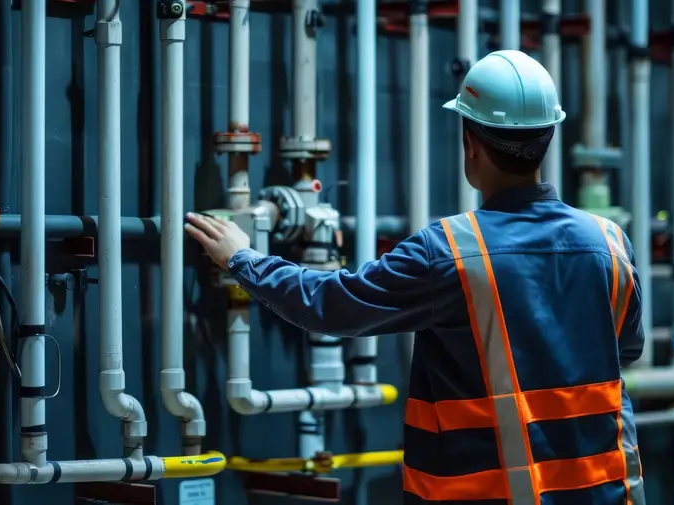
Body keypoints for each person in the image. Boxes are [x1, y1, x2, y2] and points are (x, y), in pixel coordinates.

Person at [185, 49, 645, 504]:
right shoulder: (609, 244)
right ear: (547, 137)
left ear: (470, 142)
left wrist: (243, 259)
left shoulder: (450, 253)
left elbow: (328, 305)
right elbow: (626, 348)